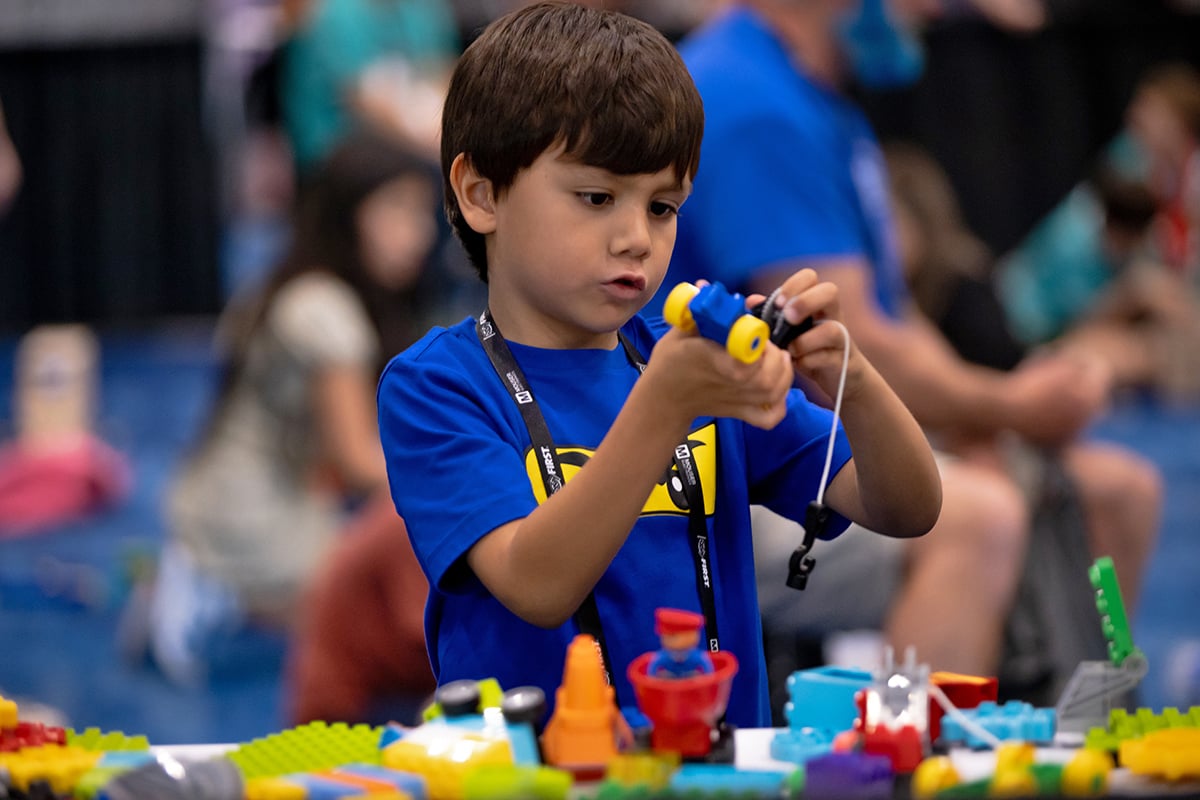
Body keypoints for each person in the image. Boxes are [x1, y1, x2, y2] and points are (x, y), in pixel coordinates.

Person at [378, 1, 941, 729]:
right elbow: (535, 582)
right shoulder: (437, 388)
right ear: (481, 193)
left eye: (664, 207)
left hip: (721, 771)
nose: (635, 238)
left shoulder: (686, 359)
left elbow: (906, 508)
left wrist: (855, 384)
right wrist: (665, 405)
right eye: (597, 197)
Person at [657, 0, 1161, 689]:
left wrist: (987, 411)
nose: (930, 9)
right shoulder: (754, 105)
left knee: (1118, 491)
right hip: (715, 463)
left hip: (793, 432)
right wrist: (1009, 406)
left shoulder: (815, 101)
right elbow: (851, 342)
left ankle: (1077, 738)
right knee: (975, 518)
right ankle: (913, 769)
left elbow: (886, 318)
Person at [131, 132, 441, 686]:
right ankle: (215, 590)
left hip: (242, 492)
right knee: (383, 610)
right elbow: (359, 463)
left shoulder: (293, 282)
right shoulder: (326, 312)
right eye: (396, 210)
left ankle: (211, 584)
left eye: (421, 213)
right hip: (250, 514)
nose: (416, 234)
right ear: (349, 218)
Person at [280, 0, 460, 174]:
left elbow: (443, 76)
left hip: (406, 147)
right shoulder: (331, 15)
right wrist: (442, 147)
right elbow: (366, 106)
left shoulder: (423, 10)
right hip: (334, 155)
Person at [647, 608, 715, 679]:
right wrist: (652, 680)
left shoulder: (695, 655)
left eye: (672, 636)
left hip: (691, 680)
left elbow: (705, 663)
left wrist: (708, 679)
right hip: (670, 680)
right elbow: (655, 664)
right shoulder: (663, 656)